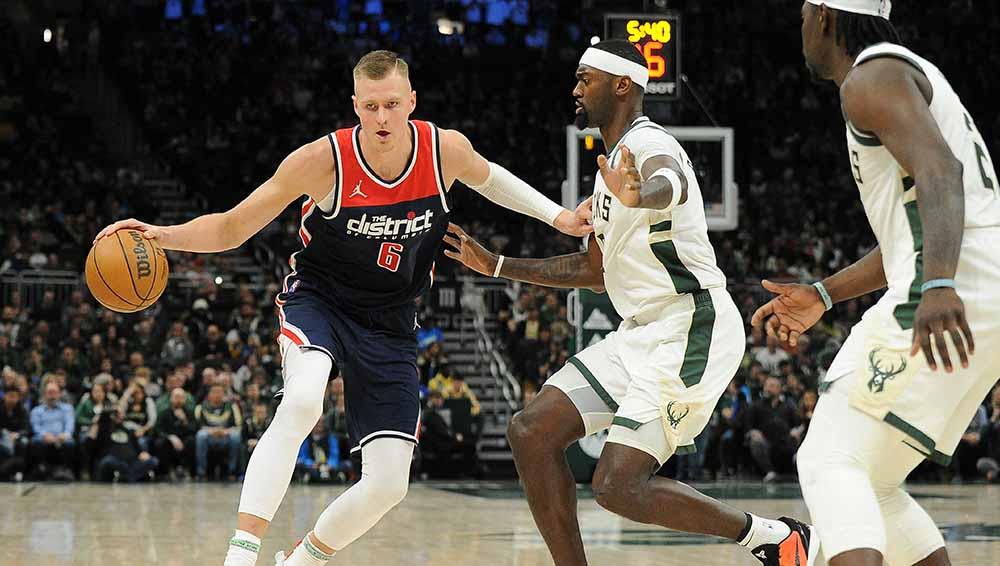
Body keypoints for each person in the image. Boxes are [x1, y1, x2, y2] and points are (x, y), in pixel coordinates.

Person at [95, 49, 591, 566]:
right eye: (371, 106)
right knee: (305, 400)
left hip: (393, 321)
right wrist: (161, 234)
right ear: (355, 105)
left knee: (389, 484)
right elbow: (232, 227)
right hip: (321, 302)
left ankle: (300, 562)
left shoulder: (444, 150)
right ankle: (240, 556)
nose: (382, 118)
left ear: (411, 102)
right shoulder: (320, 161)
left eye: (392, 104)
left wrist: (558, 218)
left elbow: (491, 179)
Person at [445, 39, 816, 566]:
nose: (575, 89)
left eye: (584, 79)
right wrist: (498, 266)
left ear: (622, 85)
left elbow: (668, 180)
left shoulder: (649, 146)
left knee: (618, 486)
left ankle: (772, 537)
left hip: (692, 324)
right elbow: (594, 270)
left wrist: (641, 194)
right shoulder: (609, 173)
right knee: (531, 432)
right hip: (638, 332)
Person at [752, 2, 1000, 565]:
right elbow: (907, 235)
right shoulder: (903, 72)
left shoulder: (872, 76)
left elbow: (942, 172)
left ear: (822, 17)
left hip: (956, 285)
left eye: (801, 18)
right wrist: (824, 292)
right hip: (978, 285)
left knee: (829, 459)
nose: (800, 31)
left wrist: (938, 283)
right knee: (876, 483)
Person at [28, 380, 76, 481]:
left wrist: (65, 434)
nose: (52, 395)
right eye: (49, 392)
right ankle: (41, 468)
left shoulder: (68, 408)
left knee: (70, 443)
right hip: (44, 437)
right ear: (44, 394)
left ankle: (66, 469)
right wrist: (45, 435)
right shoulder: (36, 410)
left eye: (54, 392)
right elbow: (36, 427)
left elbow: (69, 426)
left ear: (59, 394)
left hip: (62, 437)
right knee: (36, 441)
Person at [194, 384, 242, 480]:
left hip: (226, 436)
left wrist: (225, 431)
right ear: (209, 394)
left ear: (224, 394)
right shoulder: (200, 407)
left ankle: (231, 471)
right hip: (209, 436)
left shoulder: (232, 407)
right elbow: (197, 426)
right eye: (214, 392)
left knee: (236, 436)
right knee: (200, 436)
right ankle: (201, 473)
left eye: (220, 392)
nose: (217, 394)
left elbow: (238, 426)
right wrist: (212, 431)